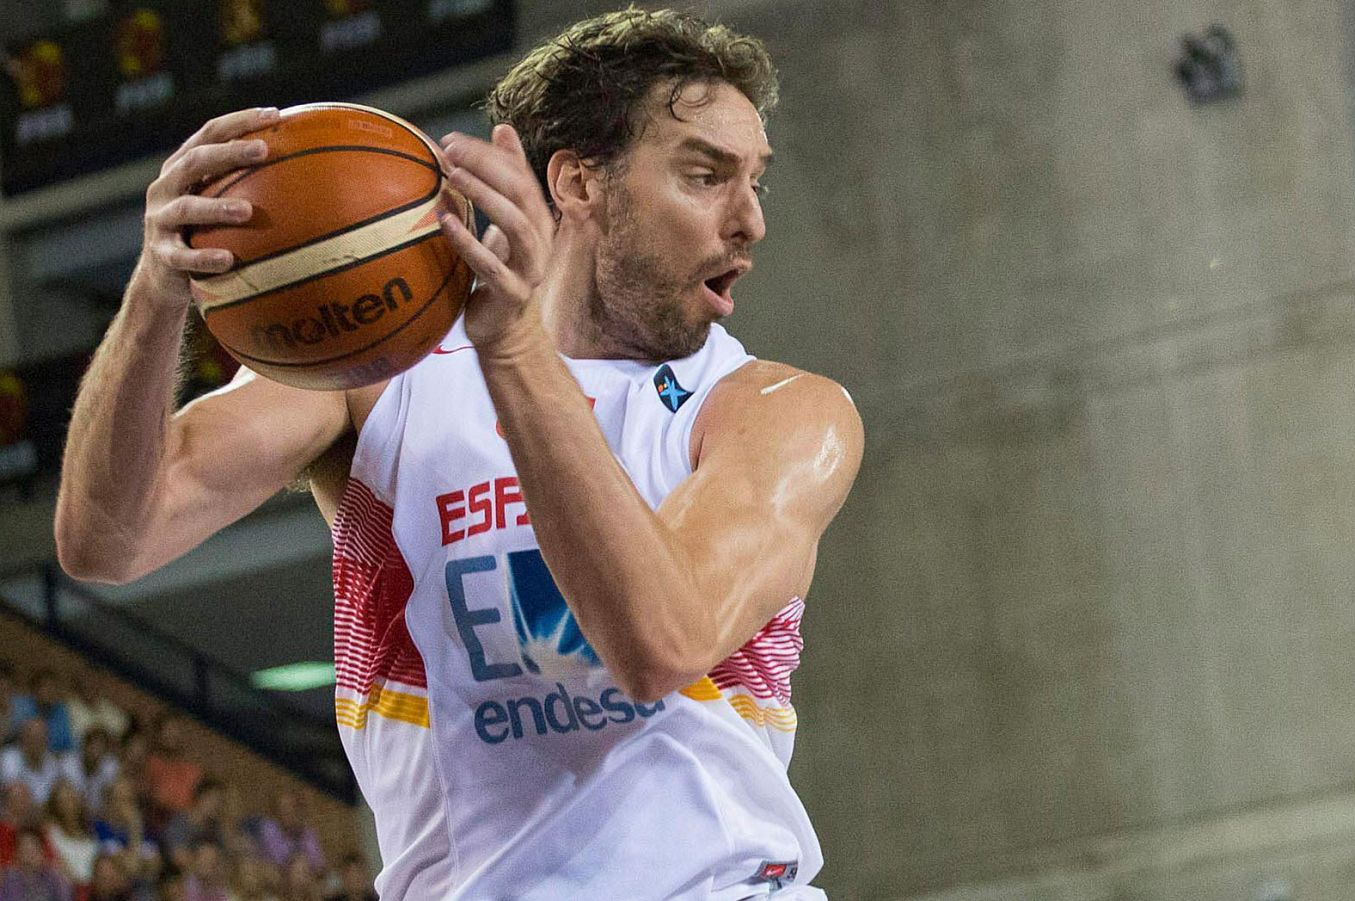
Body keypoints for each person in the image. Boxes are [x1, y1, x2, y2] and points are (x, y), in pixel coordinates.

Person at [54, 7, 861, 900]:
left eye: (756, 183)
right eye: (707, 176)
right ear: (578, 185)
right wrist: (156, 291)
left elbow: (660, 644)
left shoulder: (779, 413)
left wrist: (512, 351)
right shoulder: (382, 374)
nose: (748, 220)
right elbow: (107, 540)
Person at [0, 721, 79, 806]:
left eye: (41, 738)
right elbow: (12, 793)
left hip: (45, 811)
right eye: (33, 738)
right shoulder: (9, 758)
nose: (37, 743)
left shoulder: (50, 760)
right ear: (23, 739)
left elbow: (57, 788)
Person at [39, 782, 95, 888]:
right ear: (55, 806)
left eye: (72, 799)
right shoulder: (50, 833)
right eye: (63, 802)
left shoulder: (92, 832)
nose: (70, 806)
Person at [250, 794, 318, 874]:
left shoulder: (306, 832)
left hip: (305, 875)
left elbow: (318, 863)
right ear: (275, 812)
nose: (287, 813)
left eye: (291, 808)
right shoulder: (269, 828)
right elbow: (276, 861)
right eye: (283, 809)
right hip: (276, 873)